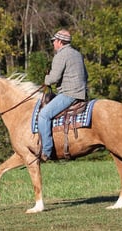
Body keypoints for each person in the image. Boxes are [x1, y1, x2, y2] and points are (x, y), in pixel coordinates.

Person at [38, 29, 88, 161]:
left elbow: (54, 78)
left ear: (60, 41)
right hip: (81, 93)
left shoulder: (61, 55)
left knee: (44, 115)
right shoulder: (77, 54)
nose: (53, 44)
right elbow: (85, 75)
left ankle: (46, 151)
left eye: (54, 41)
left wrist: (46, 79)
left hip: (69, 94)